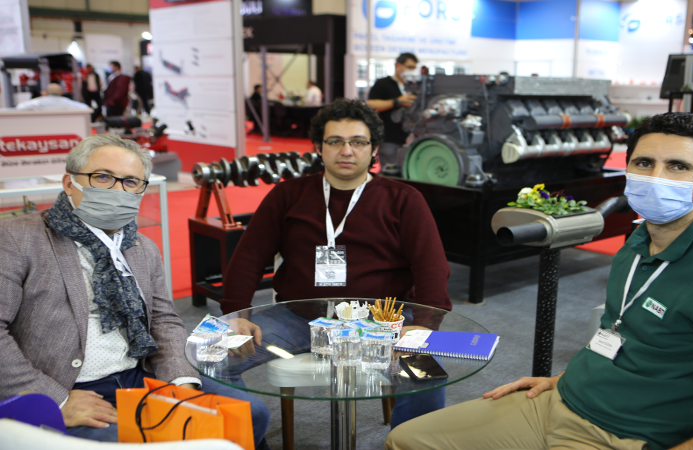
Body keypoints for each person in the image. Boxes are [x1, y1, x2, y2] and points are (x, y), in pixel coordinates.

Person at [386, 112, 693, 450]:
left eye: (678, 166)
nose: (657, 177)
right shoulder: (637, 243)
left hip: (621, 435)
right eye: (644, 164)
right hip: (560, 400)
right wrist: (561, 381)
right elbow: (618, 336)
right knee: (406, 440)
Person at [0, 134, 270, 447]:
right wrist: (55, 400)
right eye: (102, 177)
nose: (118, 190)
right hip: (65, 386)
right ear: (69, 183)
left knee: (252, 414)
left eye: (130, 182)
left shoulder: (141, 247)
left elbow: (163, 319)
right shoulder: (17, 239)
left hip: (139, 375)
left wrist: (180, 380)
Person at [222, 98, 451, 427]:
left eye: (358, 142)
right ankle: (251, 434)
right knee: (208, 358)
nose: (346, 151)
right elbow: (248, 258)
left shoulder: (403, 200)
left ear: (374, 149)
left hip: (381, 322)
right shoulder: (288, 195)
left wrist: (423, 325)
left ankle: (405, 444)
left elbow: (432, 268)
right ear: (319, 147)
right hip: (299, 318)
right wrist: (236, 316)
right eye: (335, 142)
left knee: (425, 374)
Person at [366, 52, 418, 173]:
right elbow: (372, 104)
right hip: (390, 138)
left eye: (414, 68)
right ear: (398, 65)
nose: (412, 71)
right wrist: (397, 101)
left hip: (411, 137)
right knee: (392, 172)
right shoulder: (383, 83)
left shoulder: (415, 86)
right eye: (409, 67)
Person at [16, 83, 91, 111]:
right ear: (61, 93)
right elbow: (85, 108)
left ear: (47, 92)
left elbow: (20, 107)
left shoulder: (40, 101)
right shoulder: (66, 101)